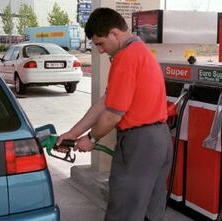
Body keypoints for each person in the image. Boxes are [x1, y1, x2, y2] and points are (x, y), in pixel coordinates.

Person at [57, 8, 172, 221]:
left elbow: (112, 116)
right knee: (150, 211)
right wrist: (74, 133)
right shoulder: (140, 52)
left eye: (100, 43)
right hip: (159, 139)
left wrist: (91, 139)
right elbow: (105, 102)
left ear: (114, 34)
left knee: (124, 211)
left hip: (140, 144)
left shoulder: (126, 57)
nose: (100, 51)